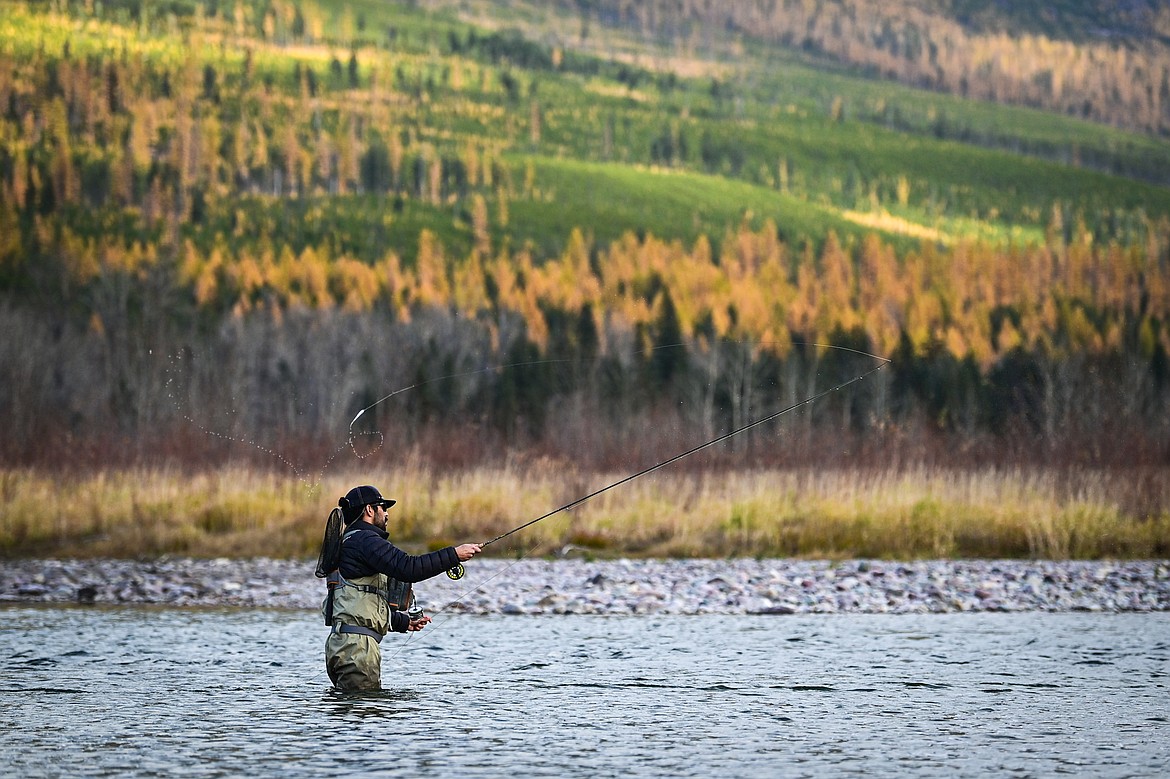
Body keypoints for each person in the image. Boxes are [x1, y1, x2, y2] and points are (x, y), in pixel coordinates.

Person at [321, 484, 481, 691]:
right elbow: (409, 568)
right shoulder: (365, 540)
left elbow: (357, 600)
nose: (387, 514)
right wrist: (454, 555)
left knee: (350, 716)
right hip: (357, 650)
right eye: (383, 508)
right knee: (366, 714)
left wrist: (403, 622)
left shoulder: (347, 542)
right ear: (370, 510)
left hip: (340, 646)